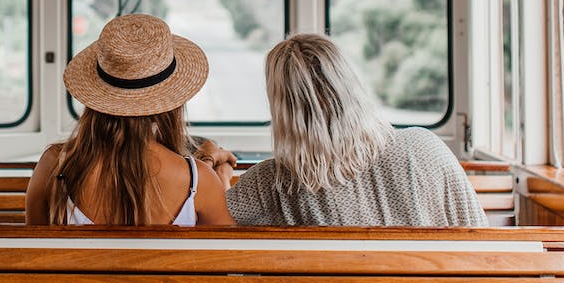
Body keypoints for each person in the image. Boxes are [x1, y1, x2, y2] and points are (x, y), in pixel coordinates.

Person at [208, 33, 487, 226]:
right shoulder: (425, 147)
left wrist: (219, 170)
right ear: (350, 85)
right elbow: (479, 235)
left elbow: (214, 222)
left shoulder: (272, 181)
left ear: (283, 110)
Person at [25, 14, 235, 225]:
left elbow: (31, 251)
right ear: (170, 103)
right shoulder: (198, 180)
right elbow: (228, 251)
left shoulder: (54, 165)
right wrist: (219, 175)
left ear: (96, 97)